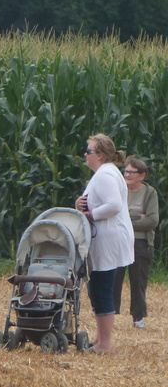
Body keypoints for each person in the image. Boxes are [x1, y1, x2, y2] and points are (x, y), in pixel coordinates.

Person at [75, 134, 134, 353]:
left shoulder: (105, 174)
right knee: (99, 288)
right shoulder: (104, 173)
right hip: (108, 239)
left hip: (108, 240)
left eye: (88, 151)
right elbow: (89, 201)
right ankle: (100, 339)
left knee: (101, 289)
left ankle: (105, 345)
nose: (85, 154)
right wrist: (80, 205)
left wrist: (90, 215)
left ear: (99, 155)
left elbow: (114, 205)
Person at [113, 156, 159, 329]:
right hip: (119, 241)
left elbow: (153, 220)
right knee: (114, 279)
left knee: (138, 280)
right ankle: (110, 314)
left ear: (142, 175)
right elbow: (112, 214)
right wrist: (138, 218)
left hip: (140, 243)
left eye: (132, 172)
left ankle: (138, 317)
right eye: (126, 171)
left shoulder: (149, 193)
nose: (128, 175)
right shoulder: (119, 191)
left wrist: (126, 222)